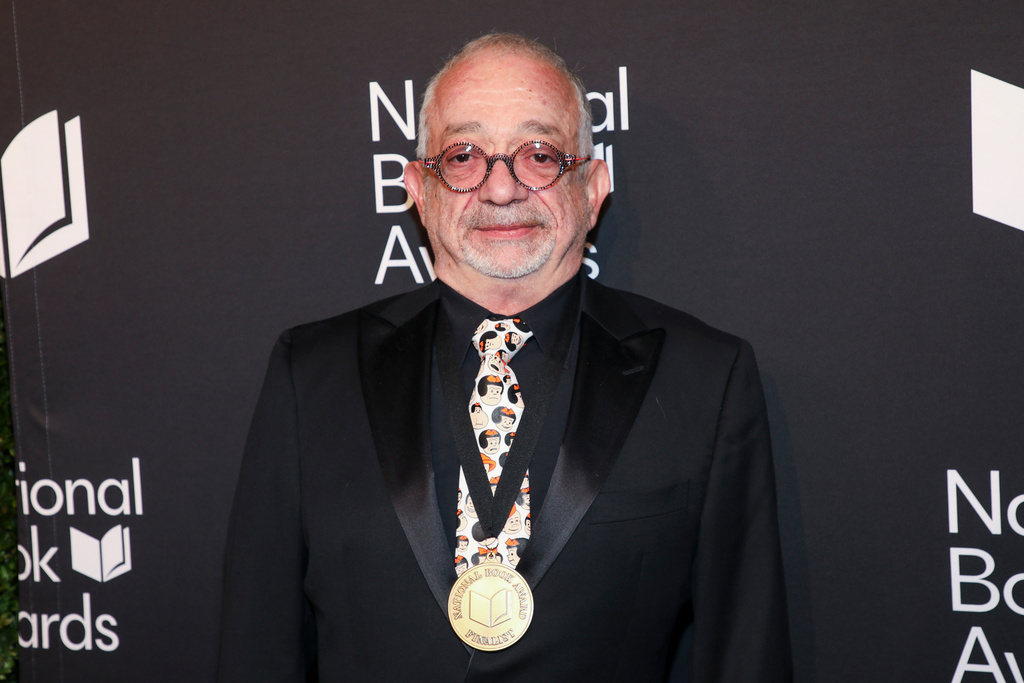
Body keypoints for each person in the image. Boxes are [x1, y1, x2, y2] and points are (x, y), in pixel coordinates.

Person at [218, 32, 792, 682]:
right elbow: (257, 650)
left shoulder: (704, 380)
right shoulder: (312, 375)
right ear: (418, 189)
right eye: (463, 156)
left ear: (593, 186)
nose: (500, 188)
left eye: (539, 155)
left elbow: (746, 655)